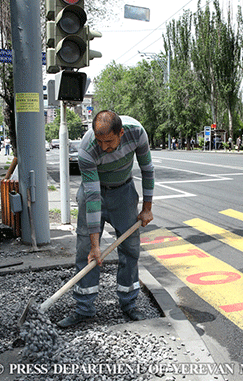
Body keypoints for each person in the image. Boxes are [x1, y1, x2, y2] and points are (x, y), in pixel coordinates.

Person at [57, 110, 155, 328]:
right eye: (99, 141)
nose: (103, 147)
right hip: (94, 191)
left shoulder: (137, 133)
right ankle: (84, 308)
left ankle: (129, 304)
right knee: (86, 250)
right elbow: (93, 197)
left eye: (109, 141)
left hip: (123, 192)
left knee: (130, 248)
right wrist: (95, 245)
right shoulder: (87, 149)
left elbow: (147, 169)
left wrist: (147, 208)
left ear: (121, 133)